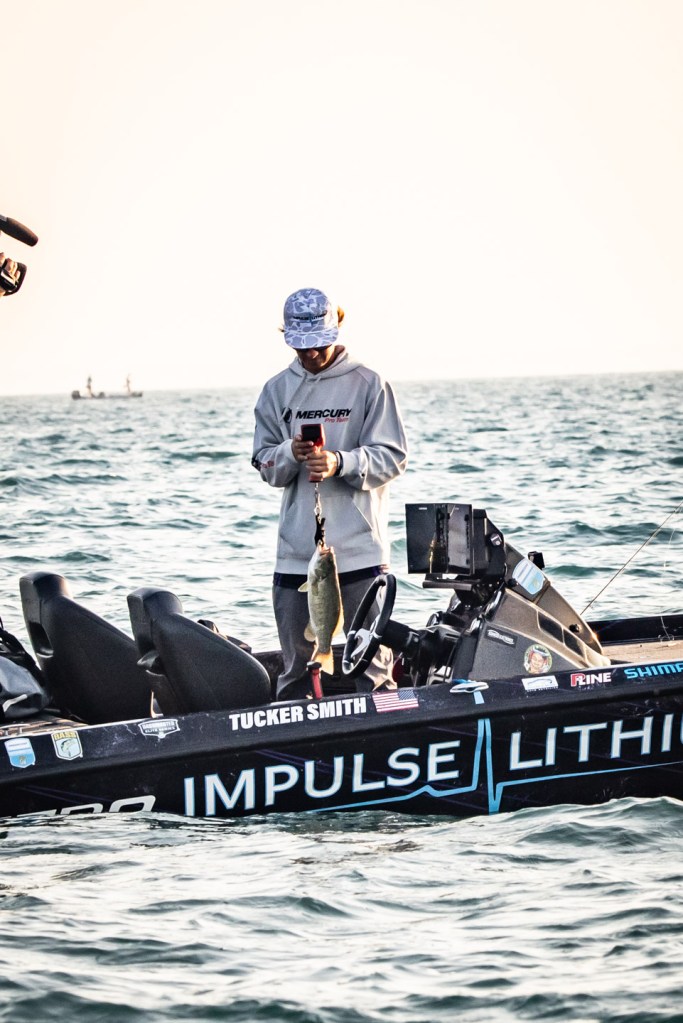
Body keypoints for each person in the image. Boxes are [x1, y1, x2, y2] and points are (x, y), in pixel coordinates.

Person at [252, 287, 408, 700]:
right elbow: (265, 465)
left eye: (318, 343)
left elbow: (393, 458)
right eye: (300, 345)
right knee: (295, 672)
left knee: (374, 671)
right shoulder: (276, 390)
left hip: (360, 551)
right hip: (296, 554)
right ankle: (295, 736)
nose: (310, 353)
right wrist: (290, 452)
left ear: (336, 329)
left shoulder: (369, 384)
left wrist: (341, 462)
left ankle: (387, 731)